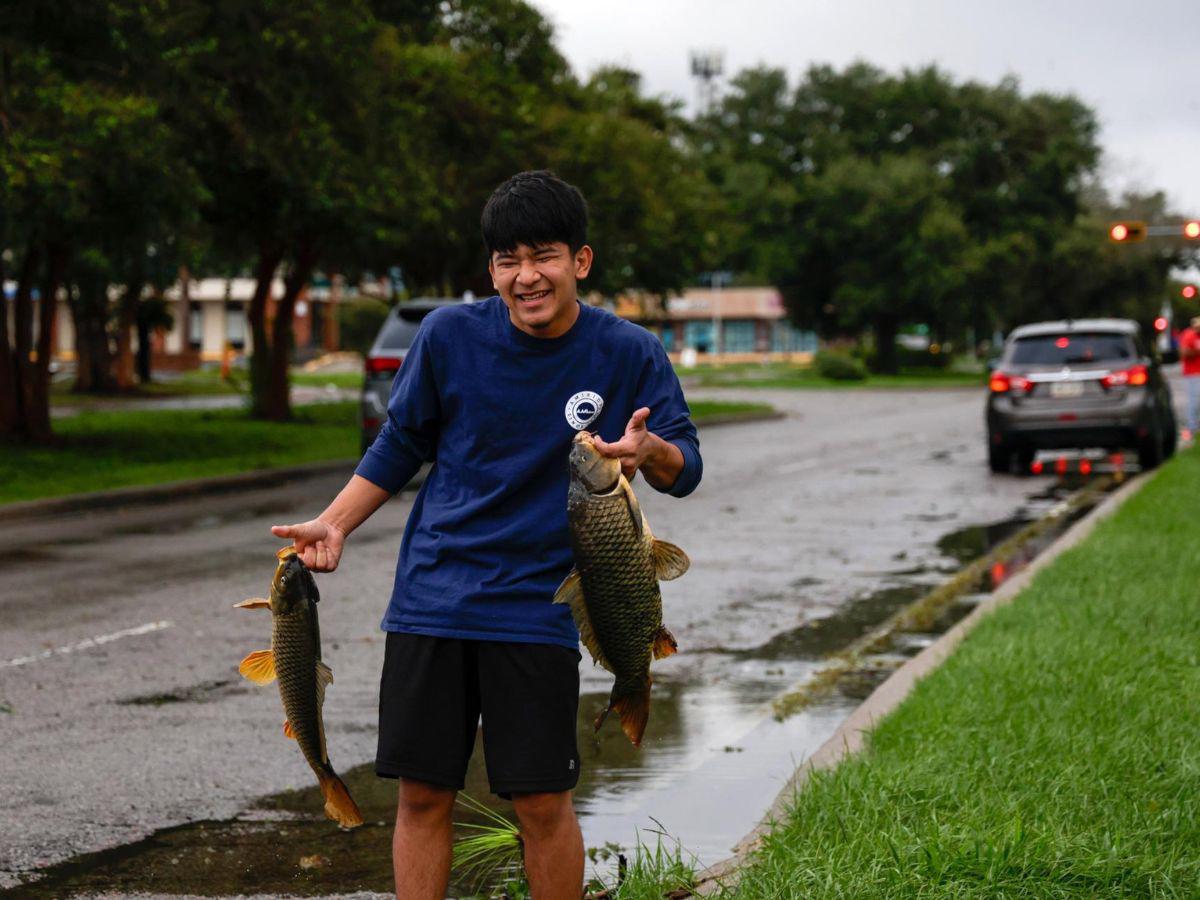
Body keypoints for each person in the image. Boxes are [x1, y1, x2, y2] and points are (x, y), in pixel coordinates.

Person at [270, 170, 701, 899]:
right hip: (433, 598)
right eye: (508, 260)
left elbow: (684, 469)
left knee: (539, 802)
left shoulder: (627, 352)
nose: (526, 276)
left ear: (581, 261)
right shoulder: (448, 336)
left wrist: (649, 450)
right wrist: (333, 523)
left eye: (544, 256)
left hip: (538, 608)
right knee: (422, 794)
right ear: (491, 269)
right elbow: (402, 443)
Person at [1180, 315, 1200, 444]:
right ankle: (1192, 427)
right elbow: (1184, 352)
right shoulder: (1189, 335)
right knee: (1194, 400)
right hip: (1193, 373)